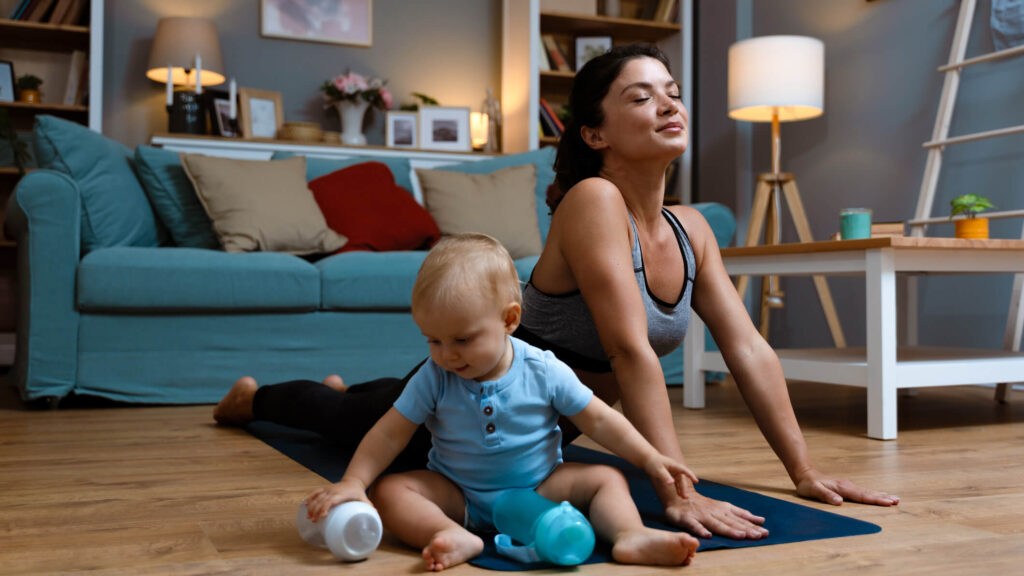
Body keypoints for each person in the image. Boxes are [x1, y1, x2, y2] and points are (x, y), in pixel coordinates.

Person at [215, 43, 898, 540]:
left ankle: (347, 389)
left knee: (371, 404)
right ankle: (254, 399)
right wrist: (676, 488)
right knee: (356, 427)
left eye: (672, 92)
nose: (667, 104)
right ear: (595, 133)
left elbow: (747, 346)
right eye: (641, 96)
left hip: (552, 420)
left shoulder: (692, 227)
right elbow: (631, 351)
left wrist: (804, 470)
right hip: (487, 391)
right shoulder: (593, 200)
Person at [304, 233, 700, 571]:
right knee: (390, 491)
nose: (446, 354)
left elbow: (599, 420)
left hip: (540, 487)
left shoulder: (543, 369)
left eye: (461, 340)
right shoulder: (435, 375)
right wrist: (355, 482)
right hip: (457, 493)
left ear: (509, 320)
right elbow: (390, 433)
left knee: (606, 480)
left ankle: (629, 536)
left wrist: (650, 458)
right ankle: (450, 535)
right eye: (433, 340)